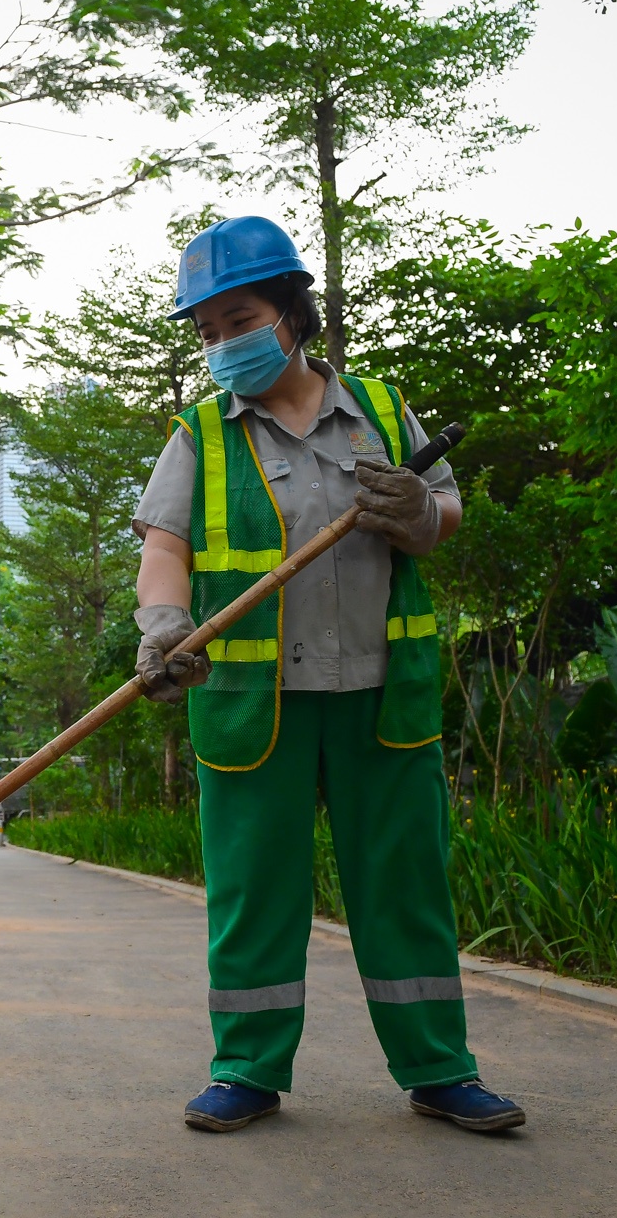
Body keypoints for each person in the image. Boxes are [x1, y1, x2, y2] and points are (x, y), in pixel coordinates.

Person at [132, 215, 525, 1135]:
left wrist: (419, 508)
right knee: (252, 888)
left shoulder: (383, 410)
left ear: (293, 314)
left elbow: (447, 513)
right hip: (249, 704)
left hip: (380, 696)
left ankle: (440, 1068)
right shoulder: (201, 434)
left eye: (242, 319)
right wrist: (163, 627)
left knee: (405, 883)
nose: (226, 343)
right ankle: (247, 1069)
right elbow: (165, 544)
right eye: (209, 331)